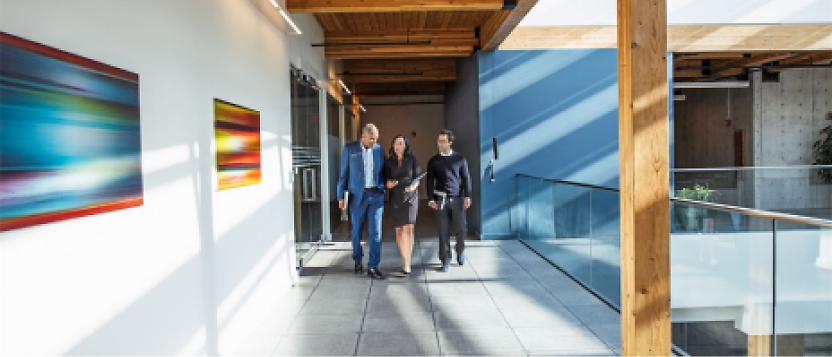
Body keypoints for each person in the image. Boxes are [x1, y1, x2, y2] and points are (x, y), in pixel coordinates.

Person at [337, 123, 386, 279]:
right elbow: (343, 174)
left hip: (376, 195)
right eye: (372, 139)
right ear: (363, 137)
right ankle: (357, 259)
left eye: (376, 138)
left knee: (376, 232)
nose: (374, 142)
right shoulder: (350, 149)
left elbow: (383, 171)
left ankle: (373, 266)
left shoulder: (379, 149)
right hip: (357, 196)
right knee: (356, 231)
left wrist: (384, 186)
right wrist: (340, 196)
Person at [426, 129, 472, 272]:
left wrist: (468, 195)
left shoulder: (460, 159)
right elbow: (428, 182)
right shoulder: (433, 161)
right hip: (440, 199)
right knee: (443, 231)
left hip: (457, 198)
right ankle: (445, 259)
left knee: (461, 229)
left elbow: (466, 178)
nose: (439, 144)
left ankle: (460, 251)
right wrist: (430, 199)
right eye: (438, 141)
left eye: (442, 141)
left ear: (450, 143)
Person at [383, 134, 421, 275]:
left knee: (409, 229)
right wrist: (388, 184)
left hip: (410, 197)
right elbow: (385, 180)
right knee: (399, 230)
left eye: (401, 143)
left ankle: (407, 262)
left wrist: (413, 187)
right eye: (396, 143)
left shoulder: (413, 159)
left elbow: (417, 178)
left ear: (406, 146)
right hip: (396, 198)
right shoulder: (389, 162)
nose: (398, 146)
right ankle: (403, 258)